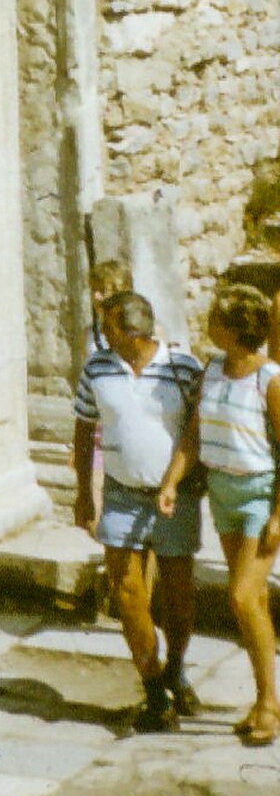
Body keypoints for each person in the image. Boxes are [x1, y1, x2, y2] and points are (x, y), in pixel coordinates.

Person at [73, 289, 202, 731]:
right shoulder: (96, 368)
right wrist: (83, 492)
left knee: (178, 596)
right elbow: (83, 429)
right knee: (127, 593)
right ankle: (152, 691)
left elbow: (195, 432)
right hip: (121, 494)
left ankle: (175, 668)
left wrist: (176, 482)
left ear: (130, 332)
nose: (100, 334)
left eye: (106, 327)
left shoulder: (183, 368)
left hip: (175, 497)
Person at [159, 283, 280, 745]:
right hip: (223, 493)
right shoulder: (211, 370)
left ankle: (268, 703)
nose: (209, 324)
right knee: (253, 602)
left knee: (242, 597)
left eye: (216, 318)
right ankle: (265, 700)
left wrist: (278, 516)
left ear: (235, 327)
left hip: (259, 496)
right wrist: (171, 482)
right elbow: (193, 434)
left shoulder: (269, 379)